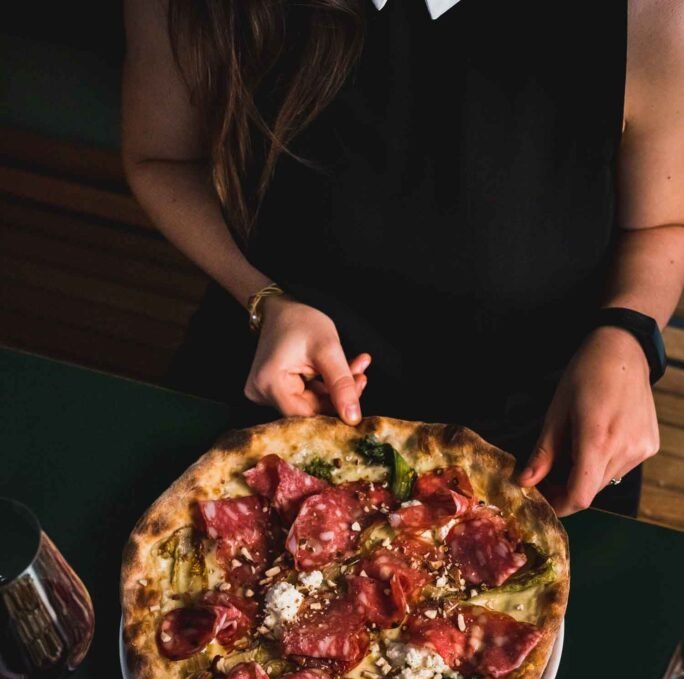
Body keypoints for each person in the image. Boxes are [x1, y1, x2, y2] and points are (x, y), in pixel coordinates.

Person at [122, 0, 684, 517]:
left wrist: (628, 336)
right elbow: (161, 159)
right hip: (261, 399)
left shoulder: (649, 11)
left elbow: (662, 226)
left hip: (545, 443)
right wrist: (264, 298)